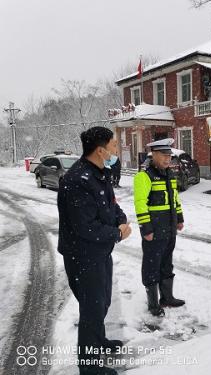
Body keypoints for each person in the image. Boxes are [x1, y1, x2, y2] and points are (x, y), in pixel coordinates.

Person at [57, 126, 132, 375]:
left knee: (102, 303)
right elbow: (85, 228)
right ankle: (90, 368)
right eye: (113, 146)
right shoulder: (77, 180)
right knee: (91, 310)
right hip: (83, 257)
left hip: (99, 253)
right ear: (100, 150)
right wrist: (119, 233)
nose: (116, 150)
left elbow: (112, 205)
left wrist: (121, 219)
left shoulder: (100, 173)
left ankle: (98, 342)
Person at [133, 138, 185, 317]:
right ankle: (153, 303)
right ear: (153, 155)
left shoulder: (170, 174)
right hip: (154, 231)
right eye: (164, 155)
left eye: (169, 155)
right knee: (151, 265)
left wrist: (179, 218)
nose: (167, 159)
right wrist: (145, 229)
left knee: (166, 263)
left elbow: (175, 199)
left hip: (169, 229)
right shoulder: (144, 176)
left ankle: (167, 297)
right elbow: (140, 203)